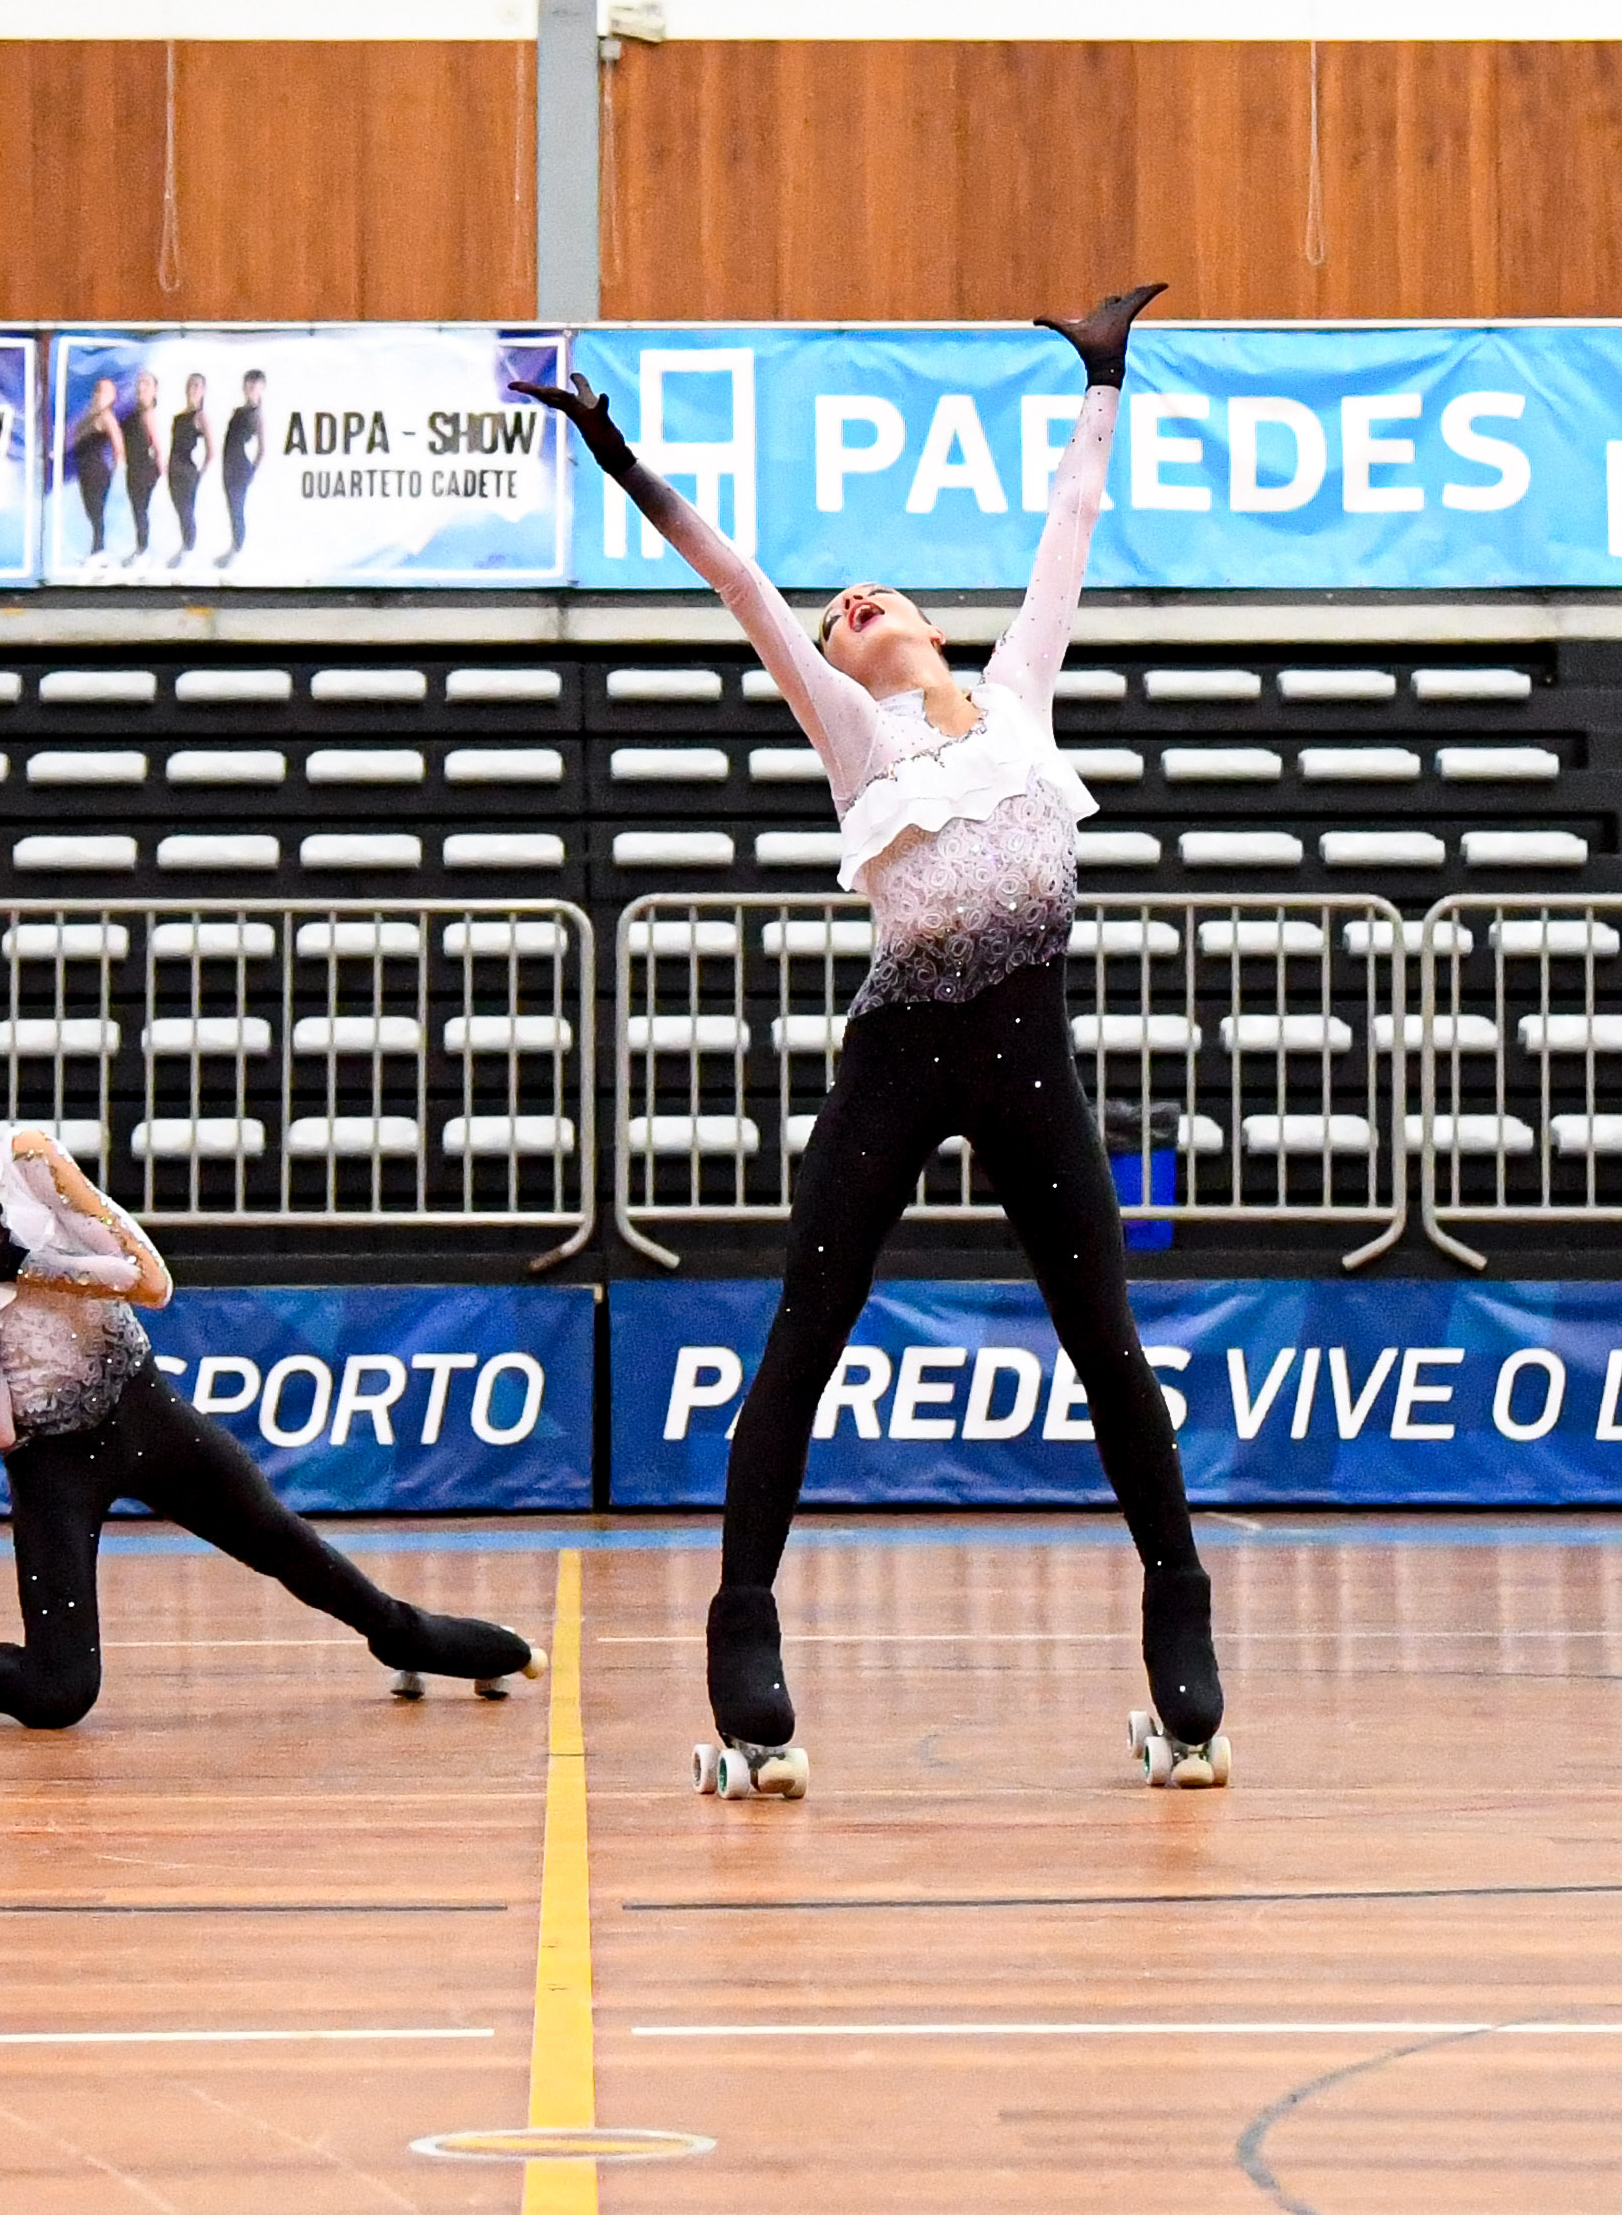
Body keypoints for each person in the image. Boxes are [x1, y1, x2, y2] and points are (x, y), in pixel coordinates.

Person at [509, 284, 1223, 1800]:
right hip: (900, 1060)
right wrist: (621, 468)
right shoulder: (851, 736)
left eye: (875, 596)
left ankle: (1179, 1625)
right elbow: (738, 579)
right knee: (804, 1340)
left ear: (932, 627)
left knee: (1105, 1350)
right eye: (841, 612)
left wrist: (1103, 377)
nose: (851, 608)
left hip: (1031, 1062)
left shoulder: (1021, 702)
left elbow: (1070, 525)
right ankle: (744, 1646)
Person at [0, 1126, 536, 1729]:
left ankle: (408, 1637)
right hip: (49, 1464)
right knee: (58, 1695)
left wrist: (20, 1261)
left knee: (287, 1545)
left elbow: (151, 1282)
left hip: (144, 1413)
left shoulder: (25, 1161)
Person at [65, 375, 125, 566]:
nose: (99, 395)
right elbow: (74, 437)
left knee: (96, 511)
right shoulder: (88, 417)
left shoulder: (108, 418)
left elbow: (118, 446)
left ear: (112, 396)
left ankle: (100, 550)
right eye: (98, 390)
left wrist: (119, 471)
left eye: (105, 392)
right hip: (84, 469)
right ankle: (96, 549)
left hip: (97, 470)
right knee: (91, 511)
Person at [218, 368, 269, 567]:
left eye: (254, 384)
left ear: (261, 388)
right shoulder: (239, 411)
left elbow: (263, 447)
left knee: (238, 508)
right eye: (247, 382)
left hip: (240, 466)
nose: (249, 387)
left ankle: (238, 549)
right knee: (232, 507)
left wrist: (252, 471)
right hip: (229, 464)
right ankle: (234, 546)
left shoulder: (257, 414)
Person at [161, 370, 211, 569]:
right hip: (174, 469)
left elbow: (211, 450)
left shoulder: (200, 416)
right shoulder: (179, 417)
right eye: (190, 384)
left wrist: (200, 474)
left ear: (203, 391)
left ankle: (190, 550)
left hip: (188, 471)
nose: (193, 389)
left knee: (187, 511)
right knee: (180, 511)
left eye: (197, 385)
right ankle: (185, 546)